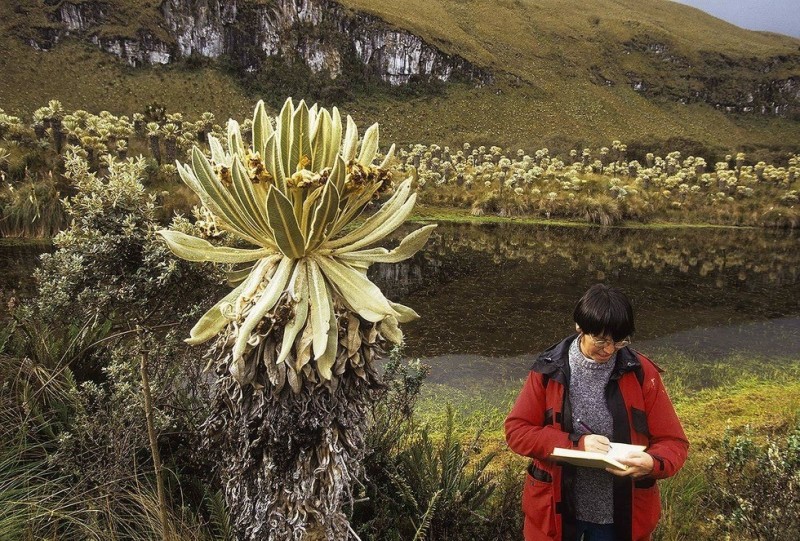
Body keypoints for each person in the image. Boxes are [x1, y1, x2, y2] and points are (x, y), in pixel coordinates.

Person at [505, 284, 688, 541]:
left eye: (619, 341)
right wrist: (576, 444)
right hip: (555, 515)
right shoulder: (549, 369)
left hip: (620, 520)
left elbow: (674, 442)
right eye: (600, 340)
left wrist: (653, 463)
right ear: (580, 327)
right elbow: (517, 431)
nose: (610, 349)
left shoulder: (642, 372)